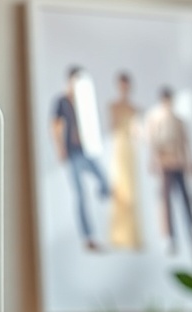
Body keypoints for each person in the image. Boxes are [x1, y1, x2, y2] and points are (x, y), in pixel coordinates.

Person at [51, 66, 111, 251]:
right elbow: (56, 126)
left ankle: (105, 207)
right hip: (73, 153)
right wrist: (60, 149)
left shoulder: (84, 100)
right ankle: (88, 238)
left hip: (88, 150)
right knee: (80, 194)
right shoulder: (61, 101)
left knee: (105, 183)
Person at [146, 87, 192, 251]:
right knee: (165, 201)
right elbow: (153, 143)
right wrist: (154, 162)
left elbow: (185, 143)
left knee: (185, 198)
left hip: (178, 163)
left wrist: (189, 162)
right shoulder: (155, 119)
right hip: (165, 165)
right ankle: (169, 236)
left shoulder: (178, 120)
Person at [109, 73, 142, 249]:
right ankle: (119, 236)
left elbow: (138, 132)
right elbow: (112, 127)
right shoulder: (113, 106)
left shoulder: (134, 108)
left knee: (131, 190)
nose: (124, 88)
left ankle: (132, 236)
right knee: (120, 190)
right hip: (119, 147)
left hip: (130, 150)